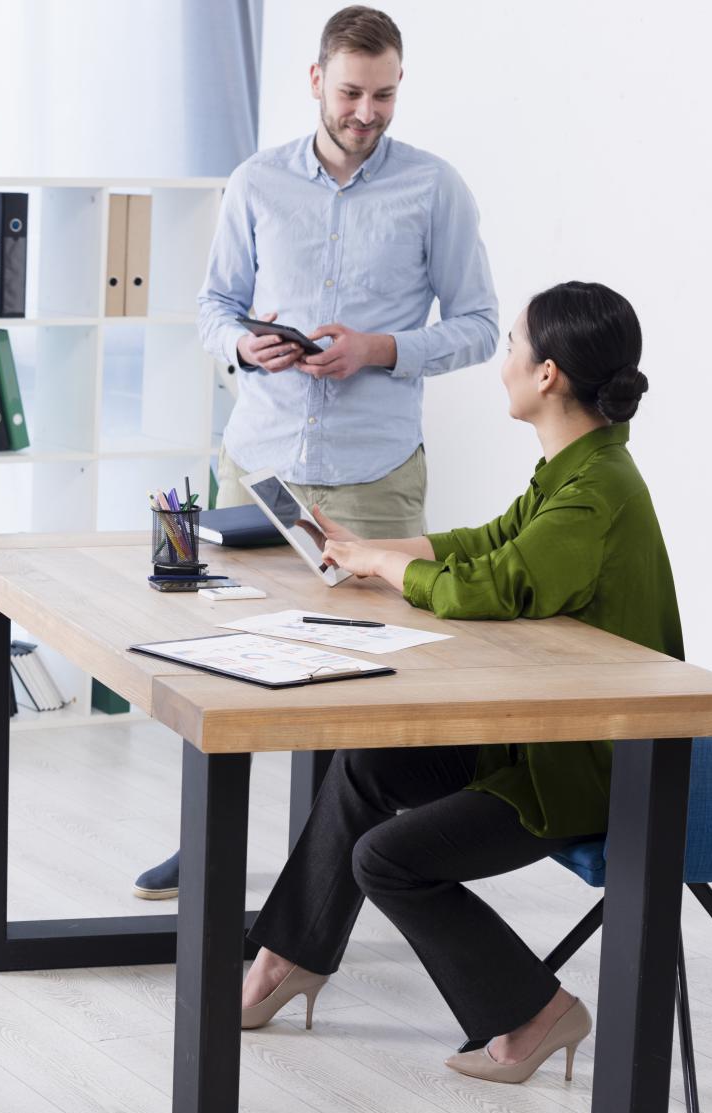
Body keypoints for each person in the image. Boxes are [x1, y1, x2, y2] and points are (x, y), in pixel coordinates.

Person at [241, 281, 678, 1083]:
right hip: (541, 738)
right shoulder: (578, 470)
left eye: (510, 345)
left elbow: (497, 584)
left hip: (585, 770)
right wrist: (372, 547)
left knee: (388, 859)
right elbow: (491, 541)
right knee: (368, 763)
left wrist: (381, 564)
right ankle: (291, 956)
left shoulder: (598, 491)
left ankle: (535, 1013)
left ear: (547, 374)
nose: (501, 360)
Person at [140, 3, 499, 900]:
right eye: (350, 92)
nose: (367, 112)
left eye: (383, 94)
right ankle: (208, 842)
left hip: (373, 477)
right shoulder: (256, 182)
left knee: (361, 681)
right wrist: (241, 345)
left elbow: (482, 326)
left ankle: (334, 871)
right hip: (258, 466)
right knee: (226, 664)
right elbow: (213, 307)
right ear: (315, 81)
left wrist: (380, 348)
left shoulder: (435, 188)